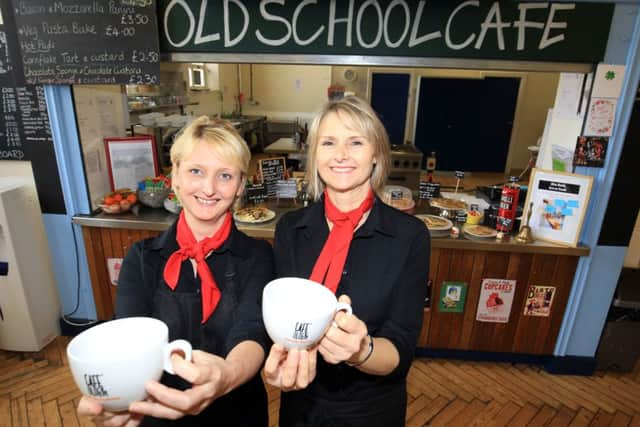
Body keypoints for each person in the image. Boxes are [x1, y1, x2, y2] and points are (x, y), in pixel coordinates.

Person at [77, 116, 273, 426]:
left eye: (225, 175)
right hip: (158, 413)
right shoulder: (142, 259)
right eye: (196, 171)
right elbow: (129, 344)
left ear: (239, 187)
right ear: (175, 177)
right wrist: (115, 399)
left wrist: (227, 374)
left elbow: (251, 332)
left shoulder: (258, 255)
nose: (209, 188)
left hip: (237, 413)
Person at [263, 96, 430, 426]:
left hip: (371, 409)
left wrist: (360, 351)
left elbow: (401, 349)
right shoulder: (290, 229)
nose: (340, 155)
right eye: (328, 142)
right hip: (300, 404)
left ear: (376, 155)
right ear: (314, 155)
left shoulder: (410, 237)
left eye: (355, 142)